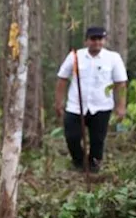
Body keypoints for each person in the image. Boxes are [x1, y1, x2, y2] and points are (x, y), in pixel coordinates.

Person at [55, 26, 128, 173]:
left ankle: (93, 168)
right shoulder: (75, 56)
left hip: (101, 106)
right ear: (86, 41)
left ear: (104, 41)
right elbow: (62, 78)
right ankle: (80, 163)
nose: (97, 43)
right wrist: (59, 102)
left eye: (100, 39)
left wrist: (121, 106)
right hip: (76, 106)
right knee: (72, 137)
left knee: (97, 141)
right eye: (93, 39)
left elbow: (121, 83)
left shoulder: (113, 58)